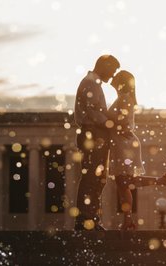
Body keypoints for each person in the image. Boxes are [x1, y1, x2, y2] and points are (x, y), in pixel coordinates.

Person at [107, 70, 166, 230]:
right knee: (124, 182)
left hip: (123, 144)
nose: (112, 79)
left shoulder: (124, 98)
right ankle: (163, 181)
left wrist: (109, 122)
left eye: (116, 77)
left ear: (122, 82)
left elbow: (124, 122)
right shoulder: (123, 97)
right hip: (121, 143)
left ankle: (128, 220)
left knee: (123, 182)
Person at [74, 55, 120, 230]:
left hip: (95, 134)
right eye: (113, 70)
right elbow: (94, 113)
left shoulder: (93, 83)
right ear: (105, 65)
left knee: (98, 178)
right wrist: (112, 124)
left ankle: (91, 218)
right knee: (92, 177)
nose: (113, 75)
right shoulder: (90, 83)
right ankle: (85, 219)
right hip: (92, 134)